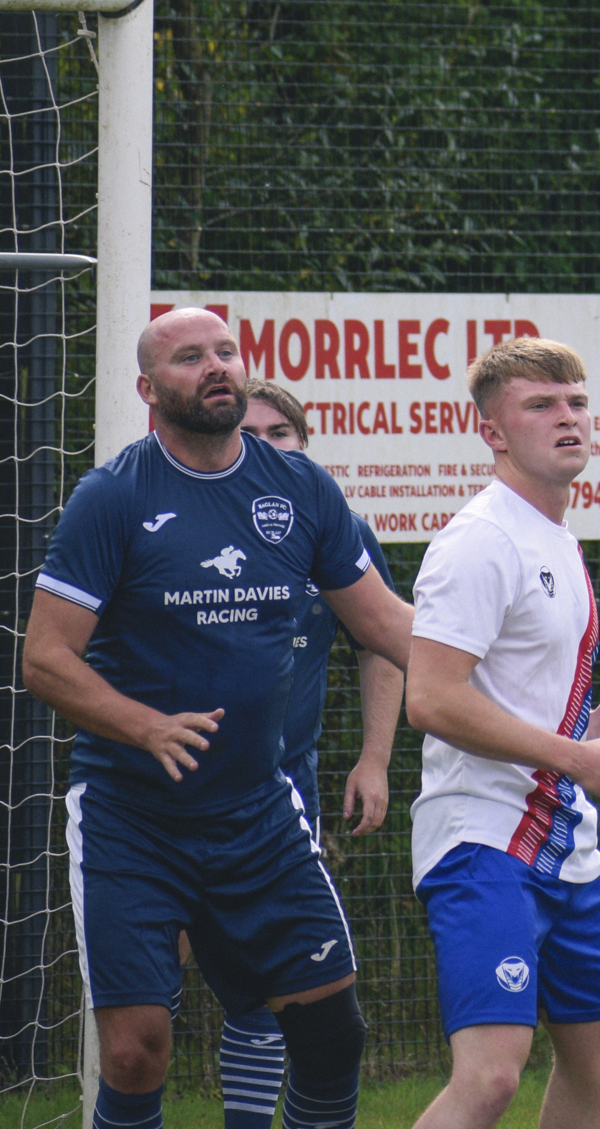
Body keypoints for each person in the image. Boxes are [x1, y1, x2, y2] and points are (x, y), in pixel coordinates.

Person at [25, 307, 415, 1129]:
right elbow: (46, 658)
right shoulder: (113, 497)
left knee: (332, 1033)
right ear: (147, 388)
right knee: (134, 1050)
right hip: (134, 816)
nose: (215, 366)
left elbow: (384, 625)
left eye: (227, 351)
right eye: (189, 356)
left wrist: (508, 682)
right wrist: (145, 726)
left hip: (258, 812)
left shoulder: (298, 486)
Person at [404, 337, 600, 1129]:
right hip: (483, 840)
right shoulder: (479, 540)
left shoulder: (553, 534)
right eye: (542, 405)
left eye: (577, 402)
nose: (568, 418)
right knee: (488, 1078)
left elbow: (508, 699)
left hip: (563, 840)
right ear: (491, 429)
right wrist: (576, 754)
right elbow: (432, 699)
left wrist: (593, 728)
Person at [204, 381, 408, 1129]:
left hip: (284, 796)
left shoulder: (333, 524)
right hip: (168, 803)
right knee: (145, 1019)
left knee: (275, 991)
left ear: (305, 440)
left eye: (280, 431)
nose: (264, 444)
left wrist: (375, 758)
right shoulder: (182, 524)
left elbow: (382, 643)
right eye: (249, 431)